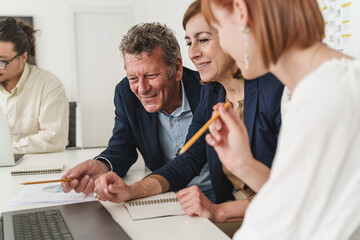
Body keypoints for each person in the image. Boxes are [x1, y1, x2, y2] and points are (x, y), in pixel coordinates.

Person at [92, 0, 283, 229]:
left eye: (203, 40)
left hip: (273, 218)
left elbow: (292, 191)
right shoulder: (213, 92)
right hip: (238, 213)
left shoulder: (275, 91)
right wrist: (133, 190)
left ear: (235, 36)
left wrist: (217, 211)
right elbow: (188, 160)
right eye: (189, 42)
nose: (193, 52)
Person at [201, 0, 360, 239]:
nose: (224, 43)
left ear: (242, 12)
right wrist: (244, 164)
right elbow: (300, 201)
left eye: (219, 29)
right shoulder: (297, 92)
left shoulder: (325, 93)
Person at [61, 23, 214, 200]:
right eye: (133, 78)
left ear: (177, 68)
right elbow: (122, 146)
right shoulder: (126, 93)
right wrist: (101, 165)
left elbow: (190, 160)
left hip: (212, 195)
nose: (142, 89)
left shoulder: (208, 91)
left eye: (151, 76)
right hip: (162, 195)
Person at [0, 17, 68, 154]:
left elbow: (54, 139)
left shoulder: (49, 85)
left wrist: (8, 150)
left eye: (2, 62)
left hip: (38, 167)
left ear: (23, 58)